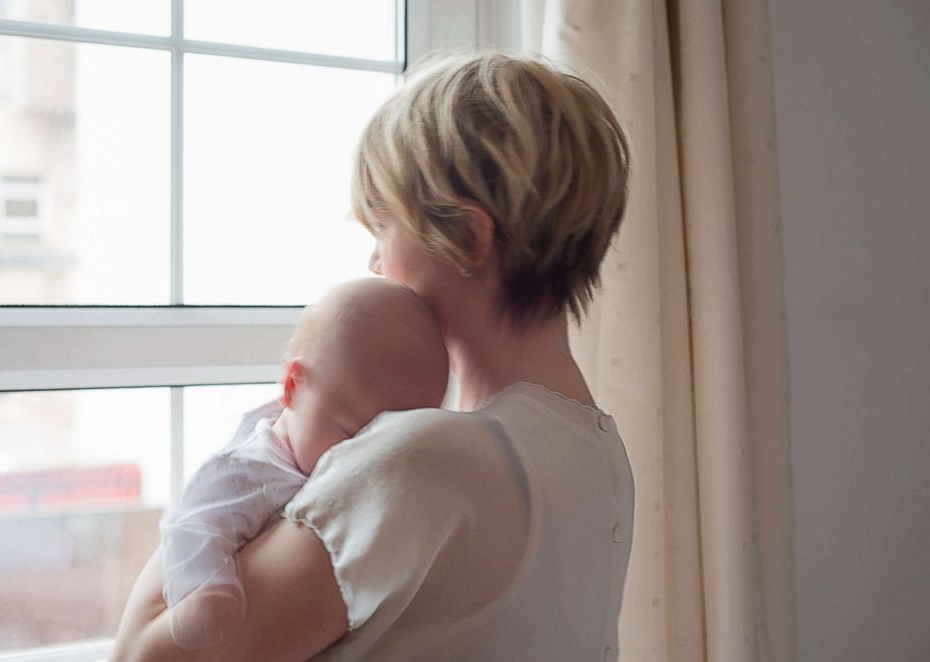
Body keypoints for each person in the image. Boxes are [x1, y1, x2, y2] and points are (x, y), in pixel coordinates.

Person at [113, 50, 633, 661]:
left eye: (383, 229)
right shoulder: (601, 454)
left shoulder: (420, 461)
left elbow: (142, 654)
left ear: (467, 237)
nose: (374, 264)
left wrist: (243, 462)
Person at [158, 278, 449, 651]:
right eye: (349, 434)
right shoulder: (247, 468)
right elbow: (192, 524)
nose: (363, 459)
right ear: (293, 386)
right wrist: (208, 594)